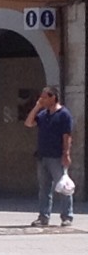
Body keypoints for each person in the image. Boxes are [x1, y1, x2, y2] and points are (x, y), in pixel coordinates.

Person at [24, 85, 75, 227]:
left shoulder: (64, 114)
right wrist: (36, 107)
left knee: (63, 186)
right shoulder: (43, 114)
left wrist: (66, 153)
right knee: (44, 188)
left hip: (57, 156)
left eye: (44, 97)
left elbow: (67, 135)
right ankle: (43, 216)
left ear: (53, 97)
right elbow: (28, 123)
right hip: (42, 156)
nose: (42, 100)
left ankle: (67, 216)